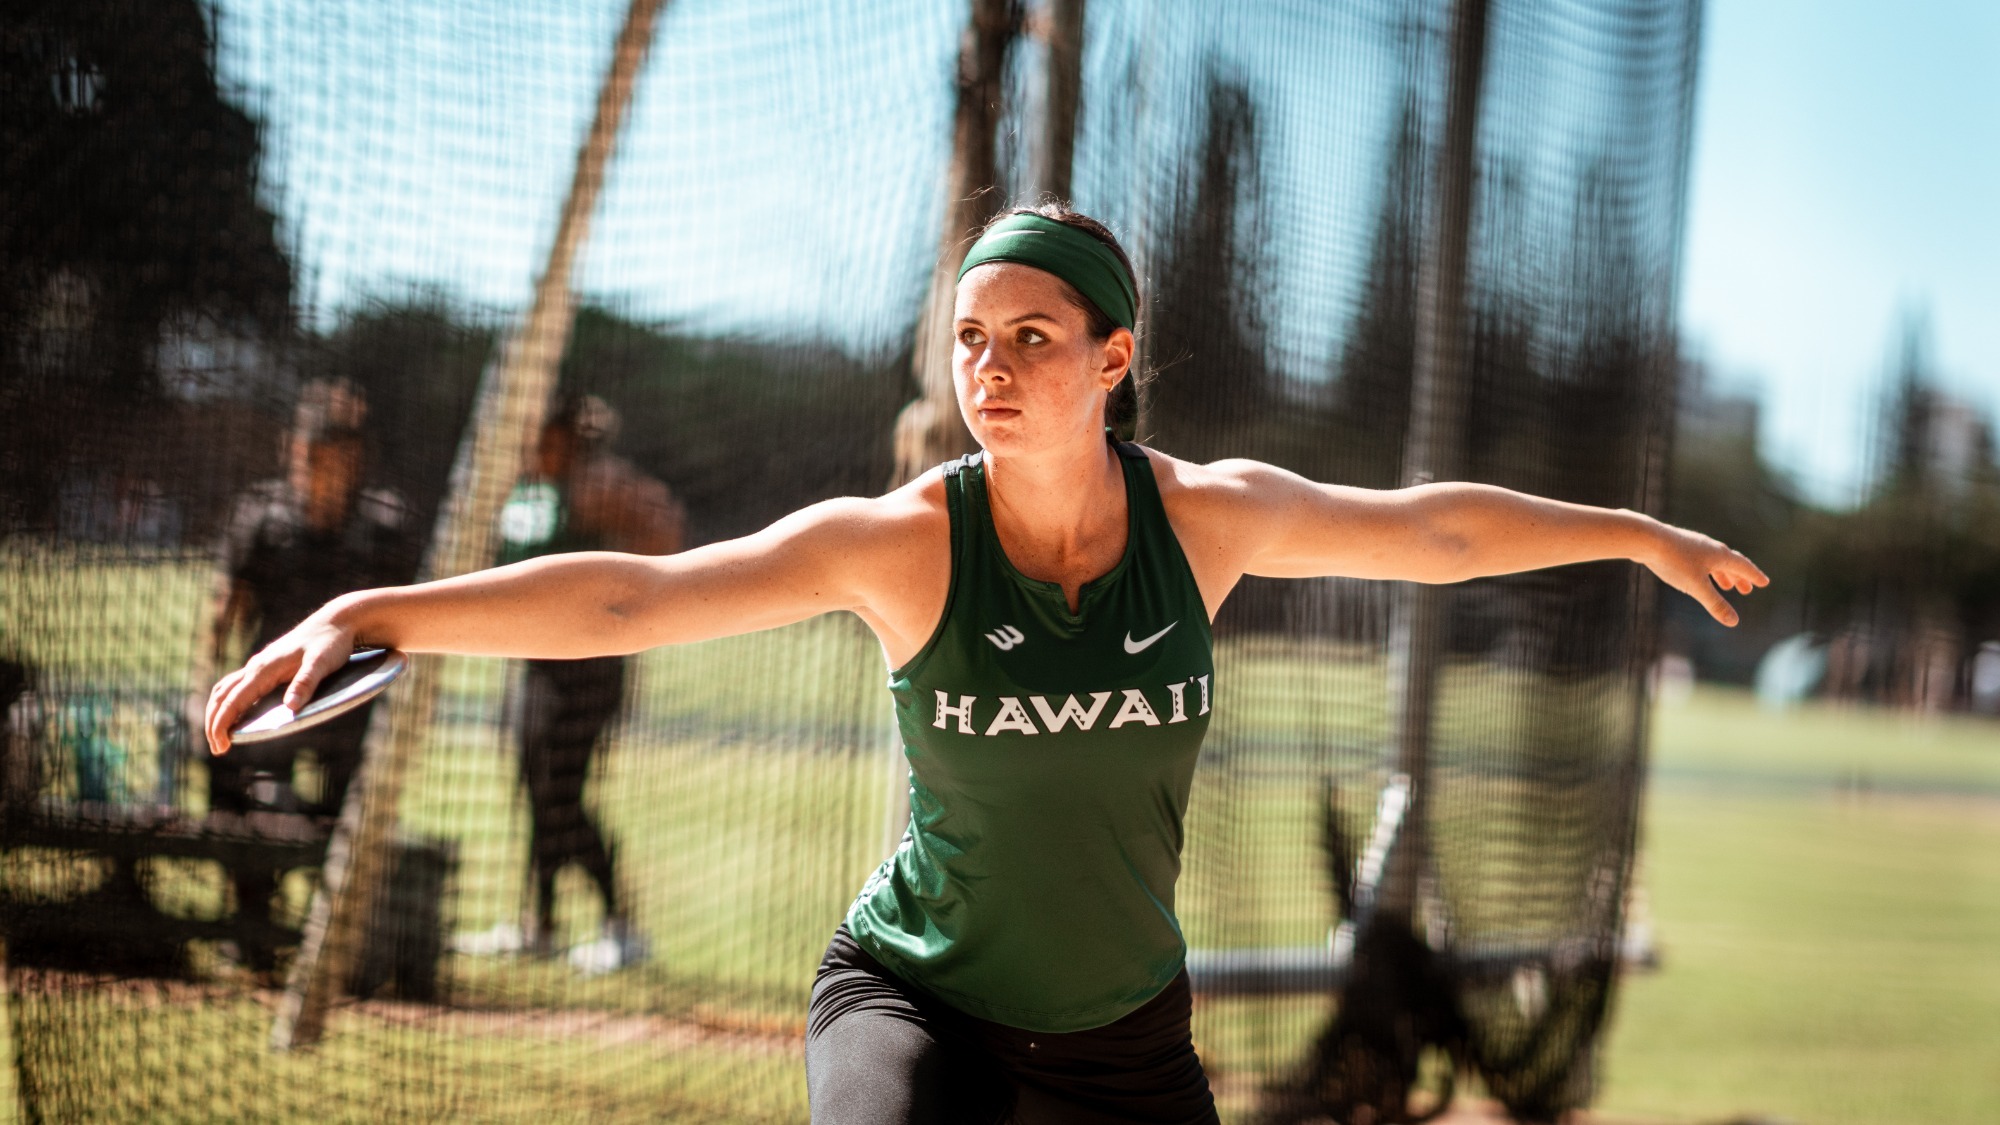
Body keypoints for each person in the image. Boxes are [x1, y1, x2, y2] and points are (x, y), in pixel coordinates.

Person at [205, 204, 1767, 1123]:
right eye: (969, 337)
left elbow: (1428, 534)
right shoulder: (905, 542)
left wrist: (1632, 533)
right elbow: (641, 598)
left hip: (1126, 1042)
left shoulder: (1203, 523)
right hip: (917, 1004)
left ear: (1113, 357)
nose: (990, 367)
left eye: (1032, 336)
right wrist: (379, 613)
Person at [201, 378, 420, 967]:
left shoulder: (382, 526)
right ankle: (251, 931)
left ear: (354, 460)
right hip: (275, 698)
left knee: (345, 817)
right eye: (309, 456)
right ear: (292, 451)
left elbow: (408, 619)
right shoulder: (264, 516)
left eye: (334, 456)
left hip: (352, 701)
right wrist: (207, 680)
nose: (319, 471)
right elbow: (228, 604)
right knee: (250, 799)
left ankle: (337, 947)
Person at [477, 393, 684, 973]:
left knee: (561, 798)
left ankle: (620, 926)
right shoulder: (526, 485)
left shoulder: (598, 484)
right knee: (535, 791)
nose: (533, 447)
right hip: (534, 665)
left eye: (544, 437)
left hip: (588, 673)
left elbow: (664, 531)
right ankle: (537, 925)